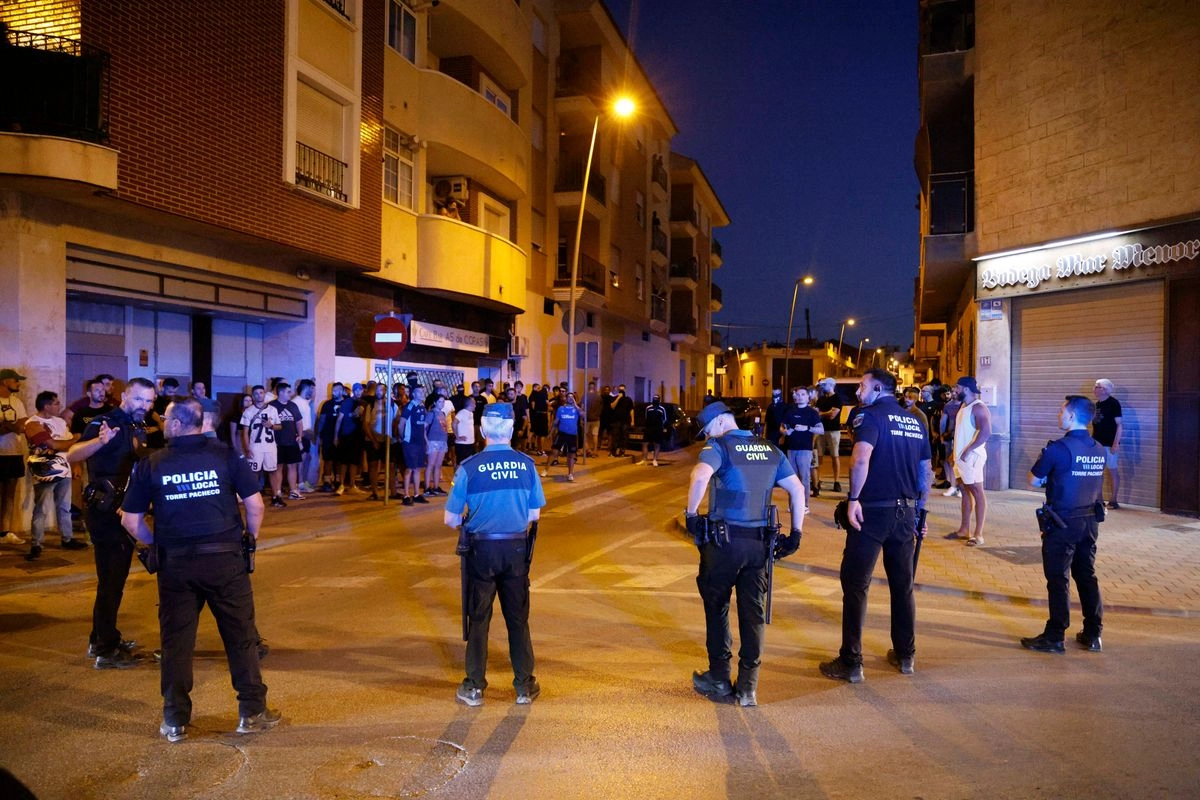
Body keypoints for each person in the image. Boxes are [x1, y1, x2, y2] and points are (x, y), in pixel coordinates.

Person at [120, 397, 281, 742]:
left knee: (176, 642)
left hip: (176, 565)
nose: (161, 421)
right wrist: (249, 540)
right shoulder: (226, 455)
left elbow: (131, 520)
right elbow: (255, 505)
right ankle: (252, 712)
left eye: (164, 417)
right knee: (241, 637)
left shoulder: (151, 464)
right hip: (225, 560)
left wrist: (156, 543)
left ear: (177, 424)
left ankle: (175, 719)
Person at [685, 401, 805, 707]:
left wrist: (691, 514)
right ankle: (749, 687)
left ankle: (719, 677)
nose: (707, 436)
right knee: (753, 615)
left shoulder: (719, 447)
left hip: (724, 543)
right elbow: (798, 490)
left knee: (717, 607)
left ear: (722, 422)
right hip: (759, 546)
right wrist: (796, 535)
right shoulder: (769, 449)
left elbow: (699, 476)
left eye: (708, 429)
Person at [819, 369, 932, 683]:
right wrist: (922, 513)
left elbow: (859, 459)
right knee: (903, 585)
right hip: (906, 513)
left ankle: (851, 661)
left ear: (879, 388)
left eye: (862, 386)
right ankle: (905, 655)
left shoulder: (867, 417)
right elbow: (926, 470)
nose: (857, 392)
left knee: (855, 584)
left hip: (873, 511)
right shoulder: (915, 421)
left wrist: (853, 499)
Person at [444, 402, 545, 706]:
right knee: (517, 619)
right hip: (515, 549)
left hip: (481, 550)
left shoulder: (469, 467)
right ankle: (524, 686)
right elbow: (534, 513)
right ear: (512, 430)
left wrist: (472, 520)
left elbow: (449, 519)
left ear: (483, 429)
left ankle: (474, 687)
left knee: (479, 618)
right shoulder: (526, 464)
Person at [67, 377, 157, 668]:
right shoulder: (105, 422)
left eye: (150, 401)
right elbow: (72, 454)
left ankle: (101, 638)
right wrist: (100, 441)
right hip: (105, 512)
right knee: (111, 580)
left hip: (123, 510)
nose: (145, 405)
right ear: (125, 396)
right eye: (141, 399)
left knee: (113, 580)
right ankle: (106, 650)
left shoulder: (137, 426)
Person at [1022, 394, 1107, 654]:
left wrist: (1053, 480)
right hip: (1090, 521)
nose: (1059, 416)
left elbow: (1033, 480)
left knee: (1058, 578)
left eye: (1062, 412)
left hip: (1062, 522)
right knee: (1086, 575)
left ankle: (1055, 635)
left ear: (1071, 416)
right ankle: (1093, 634)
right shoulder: (1098, 448)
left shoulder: (1057, 449)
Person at [24, 391, 84, 559]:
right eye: (56, 403)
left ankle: (67, 538)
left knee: (65, 506)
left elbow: (67, 446)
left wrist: (76, 463)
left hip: (64, 469)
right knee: (41, 508)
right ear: (46, 406)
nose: (59, 406)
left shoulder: (60, 422)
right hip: (45, 471)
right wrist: (77, 438)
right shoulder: (33, 424)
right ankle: (36, 543)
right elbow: (54, 444)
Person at [947, 376, 991, 546]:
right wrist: (955, 453)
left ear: (965, 389)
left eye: (956, 387)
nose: (954, 390)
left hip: (972, 457)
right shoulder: (963, 407)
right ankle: (964, 529)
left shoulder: (978, 407)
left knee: (977, 492)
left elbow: (986, 432)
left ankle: (978, 534)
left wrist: (969, 450)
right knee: (964, 491)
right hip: (961, 457)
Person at [240, 385, 285, 508]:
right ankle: (252, 497)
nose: (259, 395)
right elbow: (245, 432)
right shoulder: (249, 411)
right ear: (253, 396)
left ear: (264, 394)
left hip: (270, 445)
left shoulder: (272, 410)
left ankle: (276, 496)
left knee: (273, 471)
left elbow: (279, 426)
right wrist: (247, 448)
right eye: (256, 393)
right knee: (253, 472)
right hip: (256, 446)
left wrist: (271, 426)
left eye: (261, 392)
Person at [781, 386, 823, 511]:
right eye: (798, 394)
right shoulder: (790, 411)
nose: (800, 397)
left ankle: (804, 505)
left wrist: (807, 428)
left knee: (804, 477)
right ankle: (792, 504)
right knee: (791, 478)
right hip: (791, 448)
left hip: (805, 449)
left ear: (808, 397)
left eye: (803, 394)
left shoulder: (812, 412)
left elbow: (821, 429)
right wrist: (785, 432)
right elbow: (782, 427)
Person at [0, 368, 30, 546]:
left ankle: (5, 531)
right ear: (5, 382)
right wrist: (11, 426)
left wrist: (6, 425)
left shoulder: (17, 402)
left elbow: (21, 426)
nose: (19, 383)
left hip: (14, 453)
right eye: (16, 380)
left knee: (9, 495)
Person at [269, 382, 305, 500]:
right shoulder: (271, 406)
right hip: (277, 442)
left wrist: (300, 435)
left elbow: (299, 422)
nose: (291, 394)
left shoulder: (293, 406)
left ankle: (293, 491)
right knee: (278, 467)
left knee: (292, 466)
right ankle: (278, 492)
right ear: (281, 392)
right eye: (288, 392)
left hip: (291, 441)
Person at [1092, 378, 1123, 509]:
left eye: (1097, 387)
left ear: (1104, 389)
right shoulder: (1096, 404)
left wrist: (1115, 444)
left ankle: (1113, 500)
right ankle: (1099, 500)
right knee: (1097, 472)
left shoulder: (1114, 404)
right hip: (1097, 443)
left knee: (1112, 471)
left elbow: (1119, 425)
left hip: (1109, 444)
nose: (1094, 389)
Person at [333, 383, 366, 496]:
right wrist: (336, 436)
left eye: (360, 390)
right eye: (356, 390)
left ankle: (352, 485)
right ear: (353, 391)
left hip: (358, 436)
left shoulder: (363, 403)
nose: (358, 392)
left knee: (354, 462)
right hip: (346, 435)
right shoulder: (347, 402)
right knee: (344, 461)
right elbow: (339, 419)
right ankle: (341, 484)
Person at [399, 385, 429, 506]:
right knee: (409, 469)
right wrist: (403, 438)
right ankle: (406, 495)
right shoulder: (410, 406)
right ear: (414, 394)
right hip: (410, 442)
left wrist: (425, 440)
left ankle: (416, 494)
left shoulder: (422, 406)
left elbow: (423, 426)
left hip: (420, 442)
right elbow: (401, 424)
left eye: (423, 391)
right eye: (419, 392)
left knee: (417, 468)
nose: (422, 394)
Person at [814, 378, 844, 494]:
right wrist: (826, 413)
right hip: (821, 430)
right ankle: (818, 479)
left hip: (833, 430)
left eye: (825, 384)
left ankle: (836, 481)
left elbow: (833, 415)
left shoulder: (837, 398)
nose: (823, 386)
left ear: (831, 385)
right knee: (819, 456)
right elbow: (817, 413)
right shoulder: (821, 399)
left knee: (835, 456)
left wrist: (822, 413)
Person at [542, 391, 581, 481]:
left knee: (571, 455)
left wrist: (575, 404)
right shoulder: (561, 409)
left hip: (572, 435)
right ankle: (545, 470)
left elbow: (583, 414)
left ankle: (570, 474)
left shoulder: (576, 409)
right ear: (565, 398)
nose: (570, 398)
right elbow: (556, 422)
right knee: (554, 452)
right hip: (561, 434)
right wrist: (551, 433)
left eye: (572, 397)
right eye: (569, 397)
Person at [424, 385, 450, 497]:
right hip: (432, 441)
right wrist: (426, 441)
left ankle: (436, 486)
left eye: (443, 401)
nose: (442, 403)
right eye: (440, 401)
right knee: (430, 465)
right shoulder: (432, 413)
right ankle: (426, 488)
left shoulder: (443, 414)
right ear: (435, 402)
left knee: (438, 465)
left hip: (442, 442)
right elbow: (424, 428)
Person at [638, 394, 669, 467]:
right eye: (654, 398)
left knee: (657, 444)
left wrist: (660, 426)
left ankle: (655, 460)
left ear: (659, 400)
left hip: (658, 429)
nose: (655, 400)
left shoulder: (662, 409)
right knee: (645, 443)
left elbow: (665, 419)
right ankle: (644, 459)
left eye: (656, 399)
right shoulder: (648, 408)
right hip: (649, 428)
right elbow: (646, 417)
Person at [609, 385, 633, 457]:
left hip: (625, 421)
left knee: (624, 436)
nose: (621, 392)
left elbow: (631, 410)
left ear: (625, 390)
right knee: (615, 436)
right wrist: (618, 397)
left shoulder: (628, 399)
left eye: (623, 390)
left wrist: (632, 420)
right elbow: (612, 406)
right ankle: (613, 451)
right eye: (620, 390)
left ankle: (622, 451)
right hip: (616, 420)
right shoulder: (615, 398)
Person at [454, 396, 476, 467]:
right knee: (460, 464)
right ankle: (457, 478)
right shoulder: (462, 412)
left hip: (470, 443)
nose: (475, 405)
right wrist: (457, 437)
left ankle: (465, 478)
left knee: (469, 464)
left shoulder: (471, 413)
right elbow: (454, 423)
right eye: (474, 404)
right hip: (462, 444)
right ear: (471, 404)